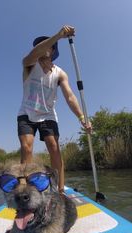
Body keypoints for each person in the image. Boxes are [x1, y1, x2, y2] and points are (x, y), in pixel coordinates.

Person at [17, 25, 91, 193]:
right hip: (26, 112)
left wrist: (82, 117)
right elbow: (32, 55)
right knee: (27, 147)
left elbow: (70, 96)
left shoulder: (60, 73)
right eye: (39, 45)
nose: (41, 47)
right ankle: (25, 188)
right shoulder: (29, 64)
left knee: (54, 146)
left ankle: (59, 190)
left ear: (53, 50)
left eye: (46, 45)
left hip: (48, 114)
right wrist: (57, 35)